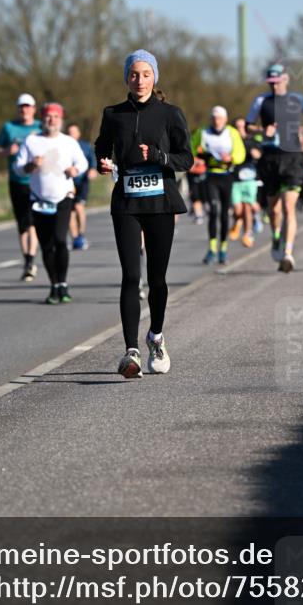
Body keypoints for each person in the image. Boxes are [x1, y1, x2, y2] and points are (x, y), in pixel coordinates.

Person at [95, 49, 193, 379]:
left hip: (160, 203)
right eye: (134, 74)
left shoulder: (170, 114)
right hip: (127, 203)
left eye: (146, 74)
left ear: (155, 78)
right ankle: (130, 352)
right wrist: (103, 163)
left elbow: (186, 159)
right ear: (126, 77)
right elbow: (101, 148)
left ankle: (157, 336)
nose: (140, 80)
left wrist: (161, 157)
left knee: (158, 280)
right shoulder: (112, 114)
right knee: (129, 276)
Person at [14, 103, 88, 304]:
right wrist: (31, 165)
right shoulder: (32, 141)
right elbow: (18, 168)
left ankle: (63, 283)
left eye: (55, 116)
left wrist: (75, 170)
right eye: (48, 116)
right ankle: (54, 285)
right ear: (42, 119)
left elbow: (83, 163)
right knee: (46, 245)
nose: (51, 120)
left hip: (63, 197)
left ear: (61, 120)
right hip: (38, 200)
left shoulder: (69, 142)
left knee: (60, 240)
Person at [246, 62, 303, 273]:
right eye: (271, 83)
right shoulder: (261, 101)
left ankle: (288, 254)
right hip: (270, 160)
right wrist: (261, 131)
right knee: (274, 210)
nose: (274, 86)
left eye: (277, 82)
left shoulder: (298, 100)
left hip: (293, 158)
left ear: (286, 79)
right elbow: (248, 128)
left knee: (288, 208)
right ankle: (276, 237)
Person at [191, 107, 246, 265]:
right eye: (214, 118)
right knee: (213, 211)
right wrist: (196, 158)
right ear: (211, 119)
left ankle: (223, 249)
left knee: (223, 214)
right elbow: (190, 148)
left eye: (220, 118)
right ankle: (212, 249)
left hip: (226, 175)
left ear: (225, 119)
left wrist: (231, 158)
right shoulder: (203, 132)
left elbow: (240, 153)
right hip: (211, 175)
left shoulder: (231, 133)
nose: (217, 121)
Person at [0, 94, 40, 281]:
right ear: (18, 109)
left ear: (34, 109)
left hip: (37, 181)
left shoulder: (40, 127)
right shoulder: (9, 128)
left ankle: (30, 259)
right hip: (16, 181)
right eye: (21, 107)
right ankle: (27, 260)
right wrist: (7, 151)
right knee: (22, 223)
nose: (25, 110)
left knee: (33, 221)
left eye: (28, 106)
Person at [228, 122, 263, 248]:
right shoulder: (230, 141)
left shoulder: (252, 141)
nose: (240, 129)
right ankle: (237, 221)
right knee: (238, 210)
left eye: (242, 127)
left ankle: (247, 233)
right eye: (237, 127)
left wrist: (248, 146)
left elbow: (258, 155)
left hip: (250, 179)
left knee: (248, 207)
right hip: (235, 179)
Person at [67, 123, 97, 250]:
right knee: (69, 211)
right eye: (69, 132)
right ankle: (75, 238)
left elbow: (92, 160)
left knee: (79, 206)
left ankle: (81, 235)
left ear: (78, 134)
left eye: (74, 132)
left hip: (82, 181)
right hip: (67, 182)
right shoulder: (63, 145)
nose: (71, 135)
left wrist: (93, 169)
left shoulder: (85, 146)